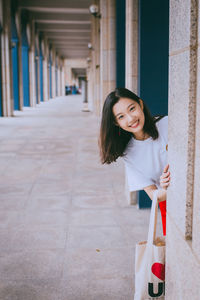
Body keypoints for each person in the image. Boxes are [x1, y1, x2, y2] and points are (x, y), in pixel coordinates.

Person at [99, 87, 170, 235]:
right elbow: (154, 195)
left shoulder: (167, 124)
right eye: (121, 117)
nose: (131, 119)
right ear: (117, 123)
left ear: (141, 104)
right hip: (169, 205)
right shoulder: (129, 154)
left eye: (132, 108)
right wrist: (165, 189)